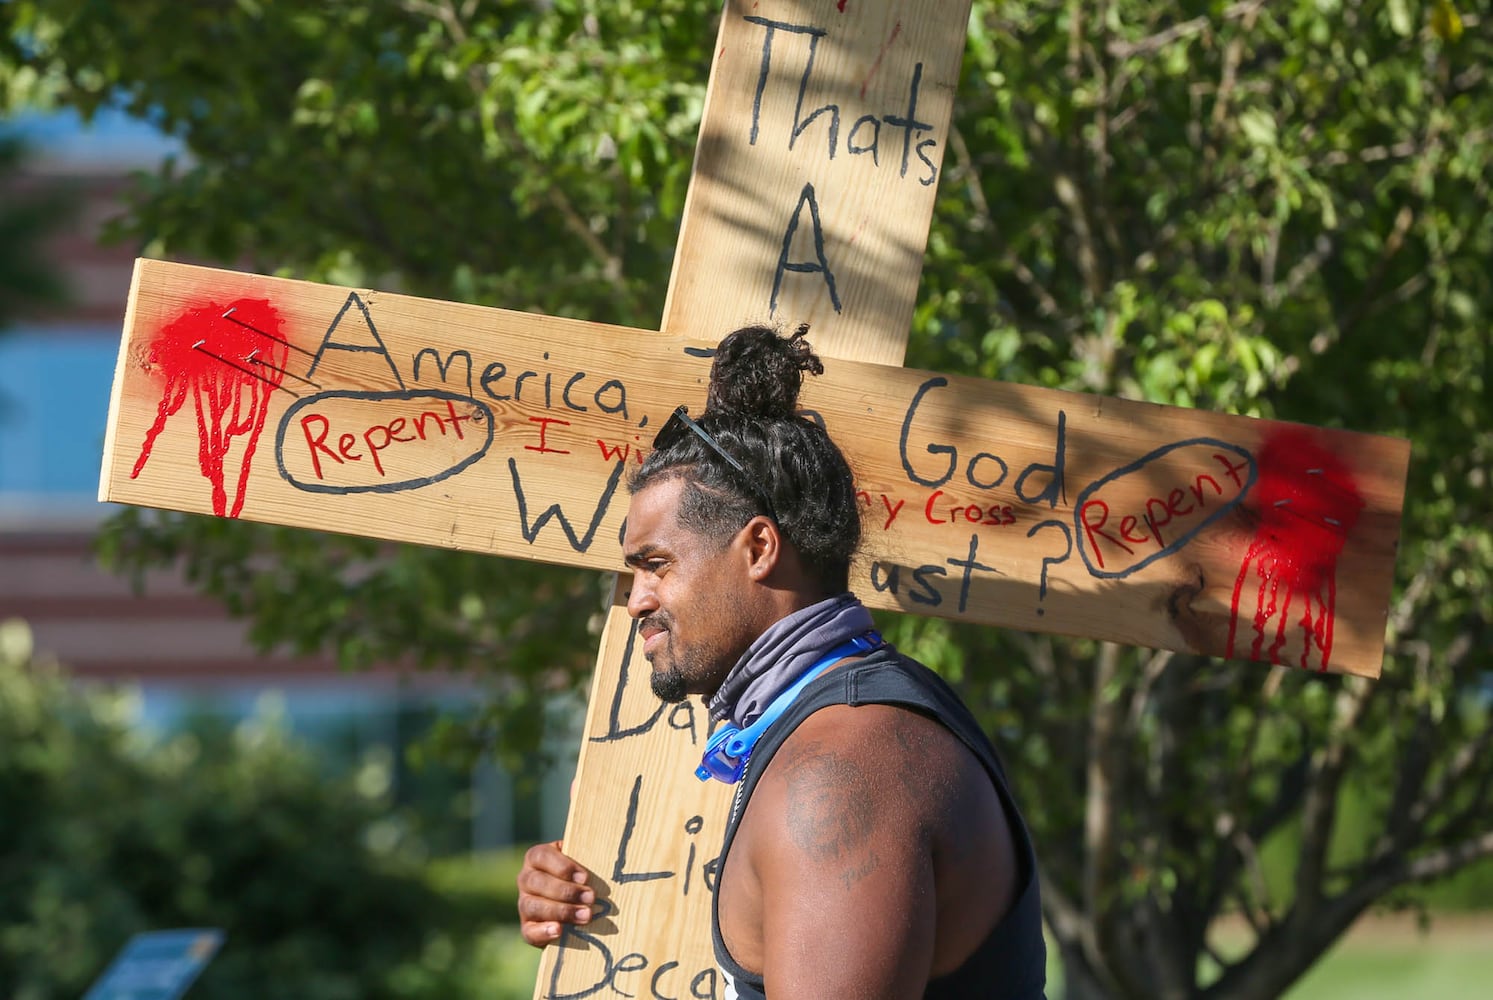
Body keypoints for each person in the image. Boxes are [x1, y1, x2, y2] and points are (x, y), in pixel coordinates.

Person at [517, 324, 1047, 999]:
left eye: (655, 565)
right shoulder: (823, 730)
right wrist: (583, 902)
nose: (636, 603)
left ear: (760, 547)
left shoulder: (839, 774)